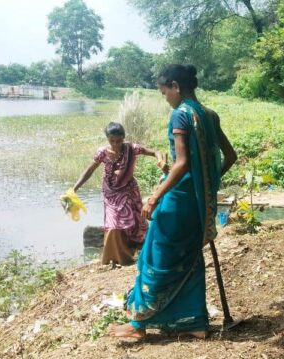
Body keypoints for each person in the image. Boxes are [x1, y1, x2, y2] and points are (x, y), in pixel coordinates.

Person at [107, 64, 237, 339]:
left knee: (157, 256)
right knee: (188, 256)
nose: (164, 97)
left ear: (176, 86)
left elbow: (182, 163)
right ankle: (194, 323)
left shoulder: (181, 115)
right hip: (198, 206)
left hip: (177, 201)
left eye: (164, 91)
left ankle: (139, 325)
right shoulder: (209, 115)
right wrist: (207, 183)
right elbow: (230, 156)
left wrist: (154, 197)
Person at [72, 122, 166, 266]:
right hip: (111, 195)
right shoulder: (102, 153)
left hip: (129, 192)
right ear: (107, 139)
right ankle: (117, 258)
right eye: (112, 141)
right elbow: (89, 170)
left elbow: (154, 152)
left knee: (134, 223)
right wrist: (75, 188)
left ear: (123, 138)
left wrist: (160, 160)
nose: (115, 144)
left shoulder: (131, 149)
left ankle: (135, 252)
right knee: (113, 225)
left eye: (119, 141)